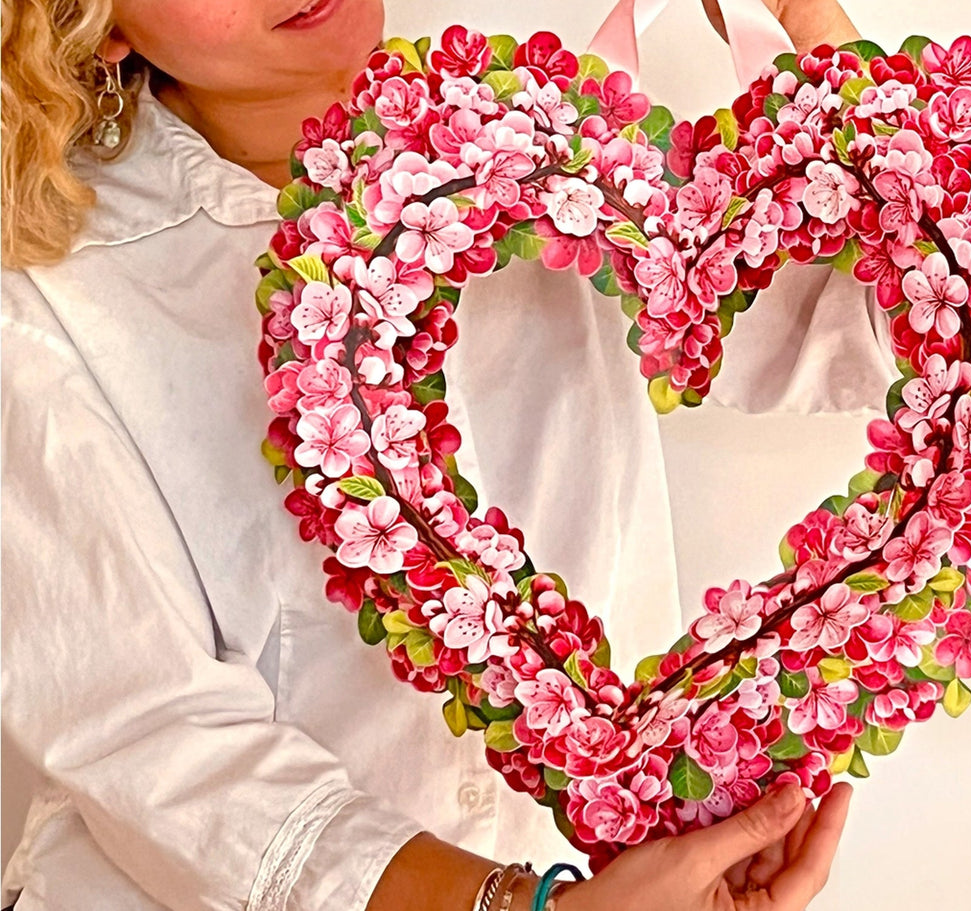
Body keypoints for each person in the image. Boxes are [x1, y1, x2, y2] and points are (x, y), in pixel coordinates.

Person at [0, 1, 898, 908]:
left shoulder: (555, 153)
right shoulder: (47, 292)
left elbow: (894, 312)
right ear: (97, 22)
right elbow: (151, 737)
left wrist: (803, 18)